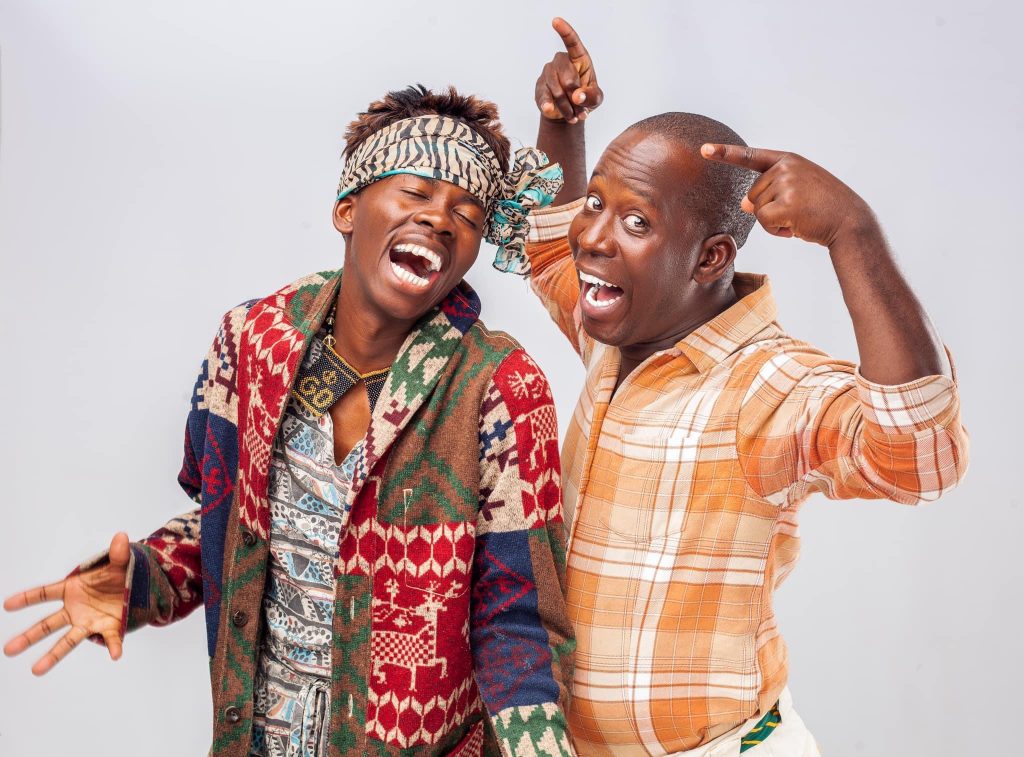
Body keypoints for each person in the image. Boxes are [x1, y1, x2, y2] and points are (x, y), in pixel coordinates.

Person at [4, 85, 577, 757]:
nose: (441, 219)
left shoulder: (502, 385)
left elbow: (518, 616)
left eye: (468, 214)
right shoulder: (251, 341)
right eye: (416, 192)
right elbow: (228, 523)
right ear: (347, 208)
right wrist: (141, 582)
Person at [517, 19, 969, 756]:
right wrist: (561, 126)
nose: (594, 237)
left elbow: (920, 457)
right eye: (598, 202)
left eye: (636, 221)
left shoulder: (768, 384)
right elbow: (549, 251)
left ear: (710, 258)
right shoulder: (618, 332)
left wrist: (852, 231)